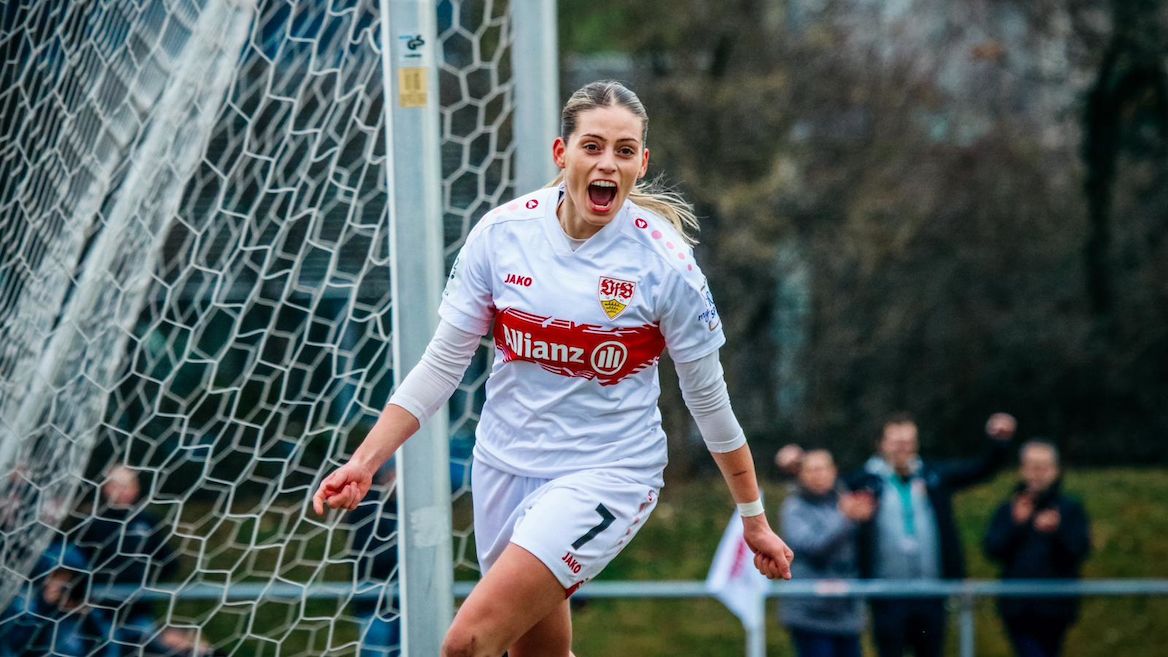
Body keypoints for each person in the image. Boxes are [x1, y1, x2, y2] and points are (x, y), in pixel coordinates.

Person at [312, 79, 794, 657]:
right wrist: (365, 462)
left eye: (623, 150)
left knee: (467, 643)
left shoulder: (666, 265)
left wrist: (753, 515)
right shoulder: (502, 235)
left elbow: (709, 403)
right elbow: (442, 364)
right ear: (562, 153)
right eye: (592, 146)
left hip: (608, 473)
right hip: (504, 465)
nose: (607, 163)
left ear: (641, 164)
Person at [846, 411, 1016, 657]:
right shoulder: (863, 481)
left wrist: (999, 444)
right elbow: (823, 486)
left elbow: (979, 469)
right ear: (881, 444)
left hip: (932, 592)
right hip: (885, 593)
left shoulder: (933, 475)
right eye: (896, 442)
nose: (903, 449)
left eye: (909, 442)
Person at [984, 440, 1091, 657]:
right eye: (1032, 466)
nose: (1037, 474)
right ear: (1022, 469)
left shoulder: (1070, 509)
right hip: (1018, 607)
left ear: (1055, 470)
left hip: (1056, 607)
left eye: (1043, 467)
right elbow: (993, 549)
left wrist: (1058, 531)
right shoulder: (1009, 509)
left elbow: (1079, 550)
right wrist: (1016, 524)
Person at [72, 465, 179, 652]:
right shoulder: (90, 522)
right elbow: (74, 563)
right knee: (108, 647)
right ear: (106, 488)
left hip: (137, 608)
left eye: (128, 485)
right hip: (97, 608)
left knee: (152, 648)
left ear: (137, 488)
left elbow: (168, 561)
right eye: (116, 485)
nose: (123, 491)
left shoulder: (147, 521)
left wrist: (144, 580)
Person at [779, 449, 874, 657]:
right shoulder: (794, 507)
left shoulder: (844, 499)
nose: (818, 475)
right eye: (812, 470)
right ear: (801, 475)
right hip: (810, 614)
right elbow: (813, 547)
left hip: (847, 612)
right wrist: (845, 517)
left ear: (834, 471)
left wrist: (866, 518)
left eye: (822, 469)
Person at [345, 464, 401, 657]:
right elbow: (369, 554)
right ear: (387, 476)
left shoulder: (404, 508)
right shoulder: (366, 508)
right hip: (375, 603)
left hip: (407, 605)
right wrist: (406, 555)